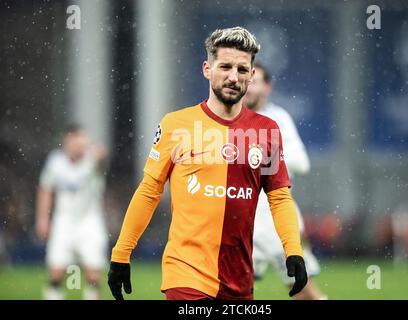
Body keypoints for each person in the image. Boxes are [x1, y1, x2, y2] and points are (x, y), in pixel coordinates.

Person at [108, 26, 308, 300]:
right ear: (207, 69)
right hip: (185, 274)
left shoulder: (266, 130)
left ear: (251, 76)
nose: (232, 77)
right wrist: (121, 254)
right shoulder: (176, 125)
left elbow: (279, 197)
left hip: (239, 279)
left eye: (241, 70)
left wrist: (293, 250)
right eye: (225, 66)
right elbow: (149, 191)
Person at [244, 62, 327, 300]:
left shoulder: (277, 118)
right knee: (229, 289)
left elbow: (302, 162)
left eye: (255, 82)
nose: (248, 87)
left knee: (304, 291)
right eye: (246, 81)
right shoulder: (232, 116)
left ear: (267, 87)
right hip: (241, 219)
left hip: (275, 219)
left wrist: (263, 153)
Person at [35, 125, 108, 300]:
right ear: (66, 141)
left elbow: (101, 158)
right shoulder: (56, 162)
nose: (77, 145)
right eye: (74, 140)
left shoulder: (92, 159)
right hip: (64, 220)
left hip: (90, 220)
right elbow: (45, 189)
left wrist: (99, 153)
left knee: (93, 274)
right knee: (56, 273)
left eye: (81, 140)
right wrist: (43, 219)